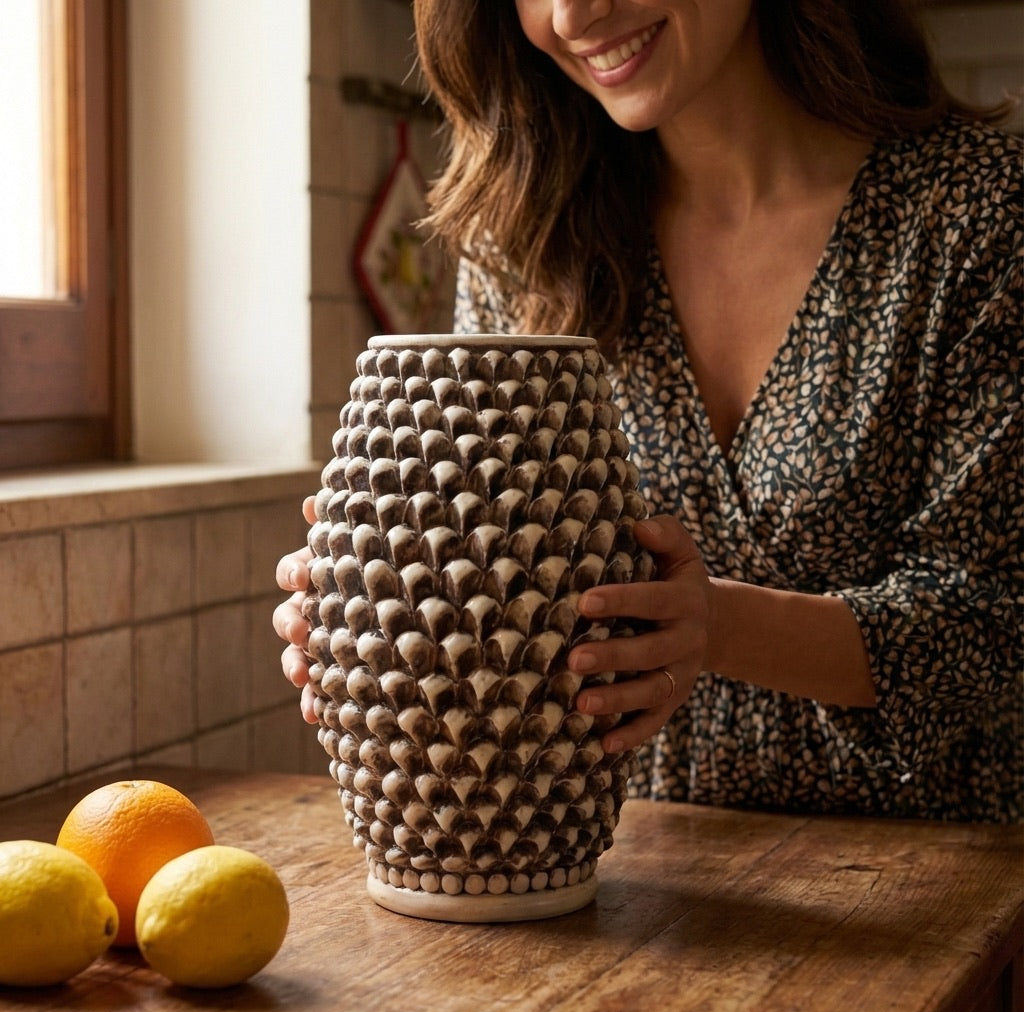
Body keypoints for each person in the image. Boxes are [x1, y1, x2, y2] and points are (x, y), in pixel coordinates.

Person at [276, 0, 1022, 823]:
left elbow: (995, 623)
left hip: (947, 895)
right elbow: (486, 566)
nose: (573, 13)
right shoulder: (524, 241)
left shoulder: (981, 214)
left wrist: (716, 626)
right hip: (637, 894)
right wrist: (378, 594)